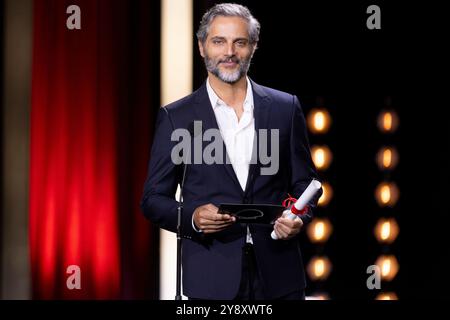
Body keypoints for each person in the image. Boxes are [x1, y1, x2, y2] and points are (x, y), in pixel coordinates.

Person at [141, 3, 321, 300]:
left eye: (239, 42)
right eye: (218, 41)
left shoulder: (285, 108)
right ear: (202, 47)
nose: (229, 52)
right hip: (211, 279)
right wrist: (193, 217)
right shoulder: (177, 117)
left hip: (279, 277)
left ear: (253, 46)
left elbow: (305, 183)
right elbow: (152, 200)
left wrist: (298, 217)